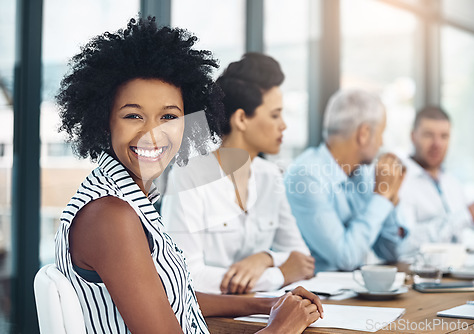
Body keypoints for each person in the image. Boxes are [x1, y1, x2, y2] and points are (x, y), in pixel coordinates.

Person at [54, 17, 322, 334]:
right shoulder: (111, 216)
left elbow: (170, 297)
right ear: (104, 121)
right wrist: (280, 328)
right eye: (133, 115)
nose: (154, 134)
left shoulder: (129, 199)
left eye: (169, 116)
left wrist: (266, 304)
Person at [162, 53, 314, 295]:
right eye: (275, 115)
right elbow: (185, 274)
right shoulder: (188, 175)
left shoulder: (270, 175)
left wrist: (265, 258)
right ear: (242, 119)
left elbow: (302, 260)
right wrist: (279, 274)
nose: (283, 125)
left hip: (261, 316)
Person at [284, 89, 407, 272]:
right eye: (381, 133)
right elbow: (346, 257)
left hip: (352, 292)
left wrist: (389, 196)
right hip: (314, 296)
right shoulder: (305, 175)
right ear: (364, 133)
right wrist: (381, 197)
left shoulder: (363, 175)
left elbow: (390, 253)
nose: (382, 143)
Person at [397, 106, 474, 260]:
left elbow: (468, 223)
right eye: (428, 135)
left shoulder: (450, 182)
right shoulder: (400, 180)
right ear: (413, 136)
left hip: (457, 272)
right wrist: (467, 215)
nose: (437, 144)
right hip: (420, 276)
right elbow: (404, 245)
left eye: (444, 136)